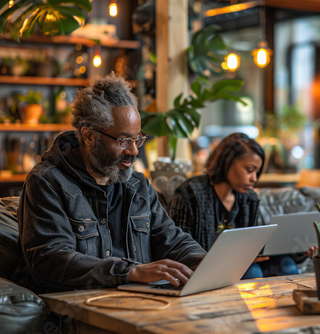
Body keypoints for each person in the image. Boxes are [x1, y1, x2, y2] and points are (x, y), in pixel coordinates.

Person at [12, 73, 205, 294]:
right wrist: (130, 272)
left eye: (137, 139)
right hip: (76, 310)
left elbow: (174, 241)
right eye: (123, 140)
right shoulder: (47, 182)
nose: (133, 151)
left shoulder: (137, 186)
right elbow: (50, 260)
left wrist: (207, 263)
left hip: (136, 301)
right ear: (88, 136)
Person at [168, 133, 299, 278]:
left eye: (257, 172)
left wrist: (298, 250)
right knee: (252, 271)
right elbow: (178, 248)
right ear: (227, 162)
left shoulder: (248, 198)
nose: (254, 178)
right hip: (204, 268)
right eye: (249, 170)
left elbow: (250, 244)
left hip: (240, 264)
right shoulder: (189, 193)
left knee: (287, 266)